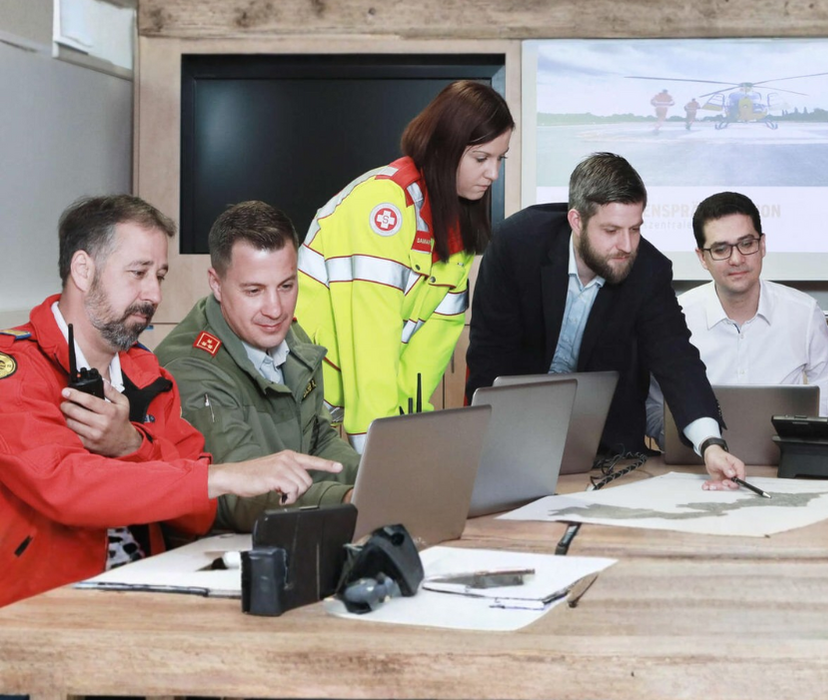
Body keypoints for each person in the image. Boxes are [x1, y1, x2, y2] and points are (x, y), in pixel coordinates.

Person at [0, 195, 340, 608]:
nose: (154, 294)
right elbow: (67, 486)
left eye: (159, 275)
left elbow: (195, 515)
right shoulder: (15, 369)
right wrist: (222, 477)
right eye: (138, 273)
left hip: (149, 601)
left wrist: (132, 446)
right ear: (83, 270)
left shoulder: (150, 375)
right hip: (42, 612)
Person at [466, 152, 747, 490]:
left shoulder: (649, 270)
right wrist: (490, 448)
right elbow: (489, 356)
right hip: (511, 442)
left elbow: (677, 358)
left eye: (635, 229)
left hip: (608, 453)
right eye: (611, 230)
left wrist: (710, 444)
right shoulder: (517, 245)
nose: (626, 245)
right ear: (576, 221)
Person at [295, 80, 513, 451]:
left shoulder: (457, 233)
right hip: (295, 396)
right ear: (444, 147)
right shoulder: (382, 206)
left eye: (499, 159)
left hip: (332, 407)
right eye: (481, 159)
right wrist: (381, 454)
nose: (493, 174)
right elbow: (370, 341)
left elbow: (424, 361)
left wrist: (407, 442)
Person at [158, 201, 361, 532]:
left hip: (292, 529)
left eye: (286, 286)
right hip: (222, 548)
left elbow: (318, 441)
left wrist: (373, 478)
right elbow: (241, 494)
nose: (275, 309)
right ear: (216, 284)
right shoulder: (192, 368)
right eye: (254, 290)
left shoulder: (289, 336)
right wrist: (347, 499)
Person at [644, 192, 828, 446]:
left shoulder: (804, 313)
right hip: (697, 462)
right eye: (721, 249)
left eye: (746, 244)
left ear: (763, 245)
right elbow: (654, 408)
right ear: (702, 257)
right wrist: (695, 444)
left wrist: (805, 443)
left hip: (785, 459)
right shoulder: (676, 317)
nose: (736, 259)